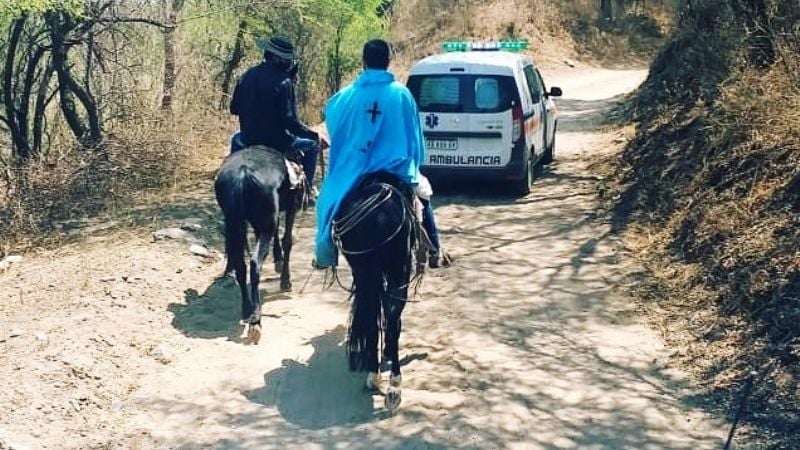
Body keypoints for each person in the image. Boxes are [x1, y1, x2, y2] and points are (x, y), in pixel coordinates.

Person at [313, 39, 447, 269]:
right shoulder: (402, 95)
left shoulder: (345, 97)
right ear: (388, 62)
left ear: (363, 62)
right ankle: (434, 248)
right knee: (423, 197)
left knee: (326, 202)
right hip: (396, 169)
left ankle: (324, 252)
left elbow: (334, 124)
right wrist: (415, 163)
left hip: (354, 170)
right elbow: (415, 138)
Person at [229, 35, 321, 185]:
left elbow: (234, 109)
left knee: (234, 139)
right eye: (287, 59)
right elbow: (289, 122)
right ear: (277, 58)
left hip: (248, 139)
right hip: (278, 142)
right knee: (312, 146)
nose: (289, 63)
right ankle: (308, 190)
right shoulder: (284, 81)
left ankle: (232, 178)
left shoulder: (246, 75)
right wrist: (313, 135)